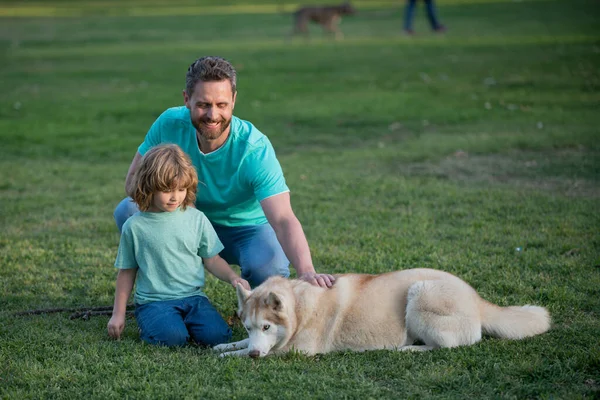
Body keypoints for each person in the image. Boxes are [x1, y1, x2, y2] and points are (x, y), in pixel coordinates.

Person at [113, 56, 335, 289]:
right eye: (203, 105)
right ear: (187, 99)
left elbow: (282, 219)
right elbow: (133, 183)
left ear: (233, 100)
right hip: (184, 218)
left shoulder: (254, 148)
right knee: (128, 210)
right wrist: (184, 215)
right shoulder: (169, 124)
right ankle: (165, 288)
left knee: (268, 271)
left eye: (221, 105)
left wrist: (307, 272)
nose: (212, 115)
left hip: (246, 229)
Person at [107, 144, 251, 347]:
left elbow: (212, 259)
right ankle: (153, 324)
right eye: (167, 190)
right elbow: (127, 272)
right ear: (149, 186)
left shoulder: (196, 219)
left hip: (194, 298)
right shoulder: (135, 226)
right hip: (154, 302)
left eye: (181, 189)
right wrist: (118, 314)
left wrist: (233, 277)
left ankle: (183, 325)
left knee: (217, 336)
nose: (175, 197)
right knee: (172, 338)